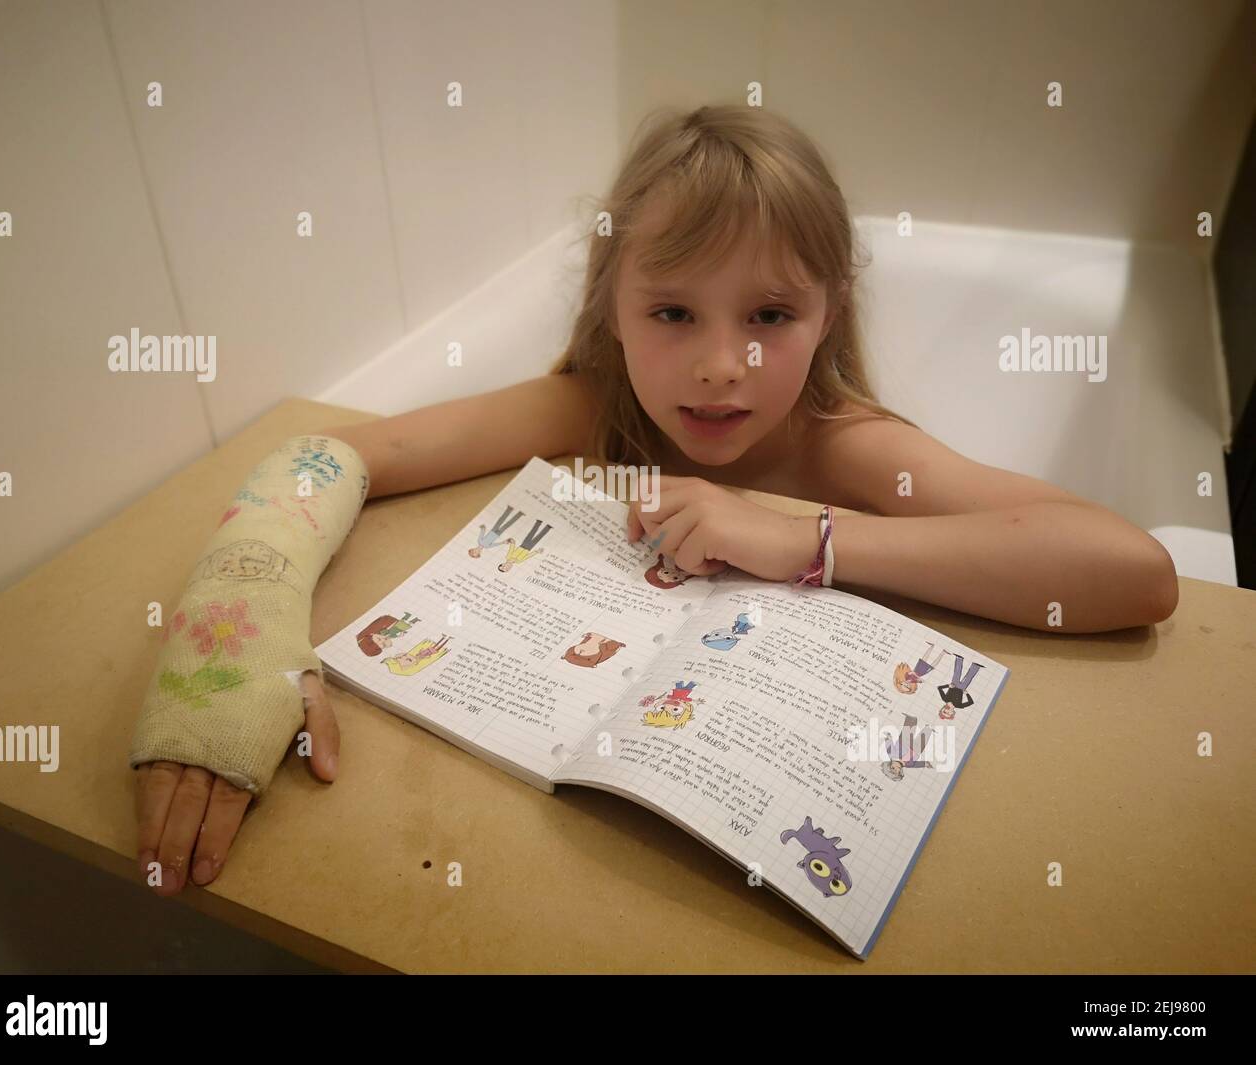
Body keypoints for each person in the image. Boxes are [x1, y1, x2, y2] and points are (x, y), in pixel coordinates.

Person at [132, 103, 1177, 896]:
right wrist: (235, 645)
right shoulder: (594, 411)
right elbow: (329, 456)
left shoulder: (841, 448)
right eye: (673, 311)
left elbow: (1131, 570)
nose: (722, 366)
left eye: (770, 313)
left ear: (829, 314)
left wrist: (803, 541)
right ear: (611, 306)